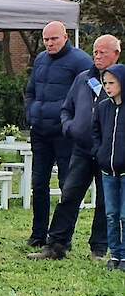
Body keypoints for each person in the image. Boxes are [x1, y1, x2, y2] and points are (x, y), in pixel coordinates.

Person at [29, 35, 120, 261]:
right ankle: (56, 245)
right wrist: (69, 127)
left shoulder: (120, 81)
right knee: (68, 195)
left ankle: (98, 249)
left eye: (103, 52)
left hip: (108, 152)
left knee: (105, 201)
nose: (97, 56)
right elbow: (66, 108)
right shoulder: (83, 79)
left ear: (116, 54)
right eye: (95, 52)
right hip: (80, 148)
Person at [25, 21, 92, 247]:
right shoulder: (41, 60)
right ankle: (38, 234)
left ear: (65, 37)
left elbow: (93, 92)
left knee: (68, 186)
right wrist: (31, 113)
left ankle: (63, 238)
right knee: (39, 184)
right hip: (40, 132)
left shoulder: (80, 60)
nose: (50, 43)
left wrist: (73, 123)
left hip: (65, 135)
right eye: (46, 39)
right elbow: (31, 90)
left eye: (54, 38)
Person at [92, 64, 125, 271]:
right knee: (111, 214)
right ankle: (115, 255)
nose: (107, 87)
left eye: (112, 83)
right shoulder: (103, 107)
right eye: (105, 83)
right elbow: (95, 132)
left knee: (124, 215)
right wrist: (100, 152)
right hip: (108, 171)